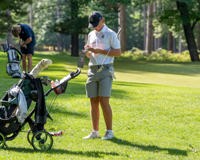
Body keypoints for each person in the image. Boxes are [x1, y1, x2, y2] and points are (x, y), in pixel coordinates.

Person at [83, 11, 121, 140]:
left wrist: (100, 51)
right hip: (92, 70)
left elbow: (118, 52)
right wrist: (88, 51)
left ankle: (109, 132)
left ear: (102, 20)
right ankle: (95, 132)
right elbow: (90, 55)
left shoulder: (111, 34)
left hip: (106, 70)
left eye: (96, 24)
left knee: (104, 101)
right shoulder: (91, 34)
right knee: (93, 101)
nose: (95, 27)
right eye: (93, 25)